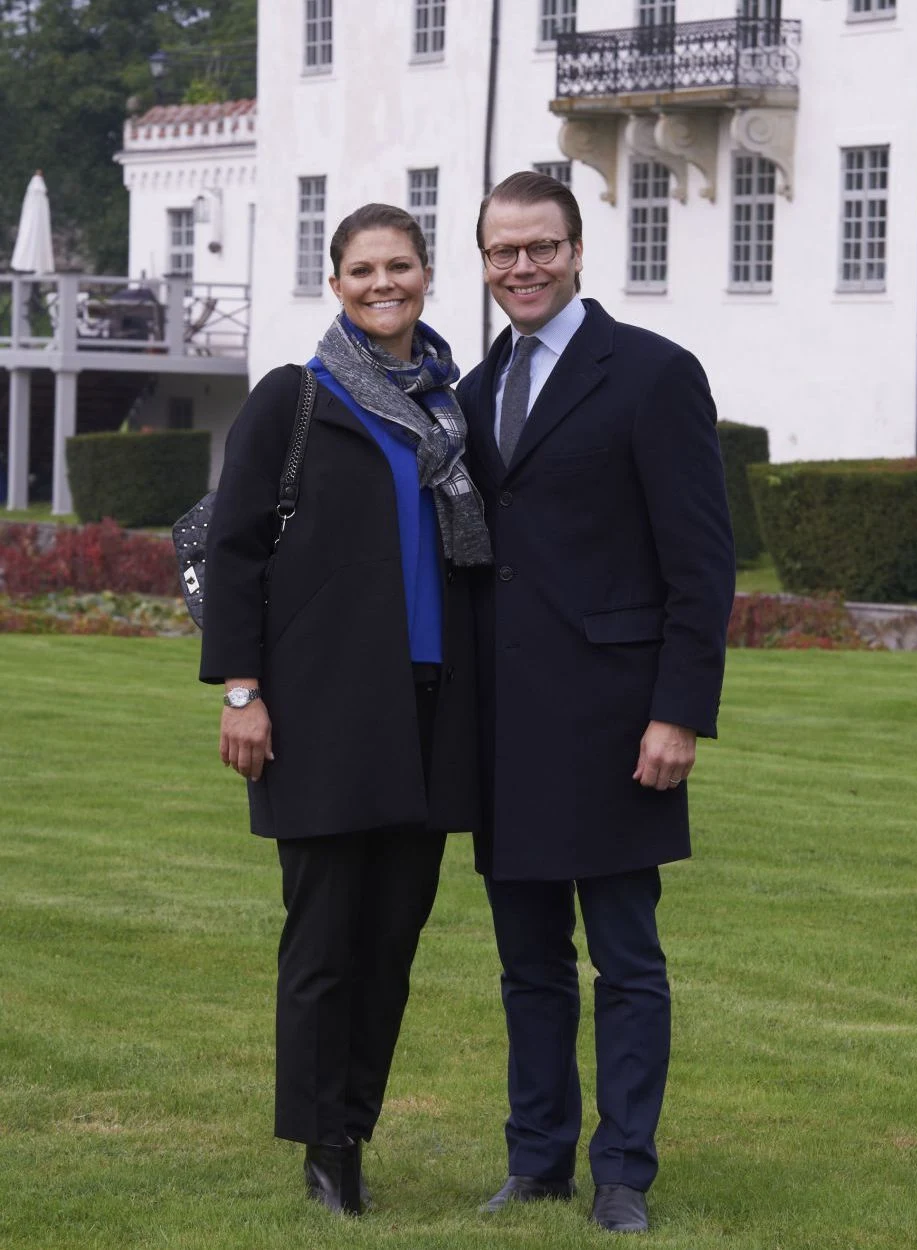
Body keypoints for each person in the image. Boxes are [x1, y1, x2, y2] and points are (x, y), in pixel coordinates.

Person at [456, 171, 735, 1234]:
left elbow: (699, 566)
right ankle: (535, 1163)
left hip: (621, 721)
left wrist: (678, 712)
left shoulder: (654, 376)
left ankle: (622, 1172)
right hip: (505, 728)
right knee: (526, 964)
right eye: (499, 252)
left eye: (538, 247)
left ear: (577, 250)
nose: (519, 267)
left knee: (625, 961)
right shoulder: (473, 393)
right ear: (482, 262)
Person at [199, 203, 491, 1216]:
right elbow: (232, 549)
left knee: (392, 939)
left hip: (430, 707)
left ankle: (353, 1126)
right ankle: (324, 1153)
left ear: (424, 276)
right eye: (361, 268)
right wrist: (242, 689)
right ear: (335, 284)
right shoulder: (296, 399)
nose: (382, 283)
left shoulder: (455, 406)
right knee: (322, 938)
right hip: (322, 709)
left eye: (398, 266)